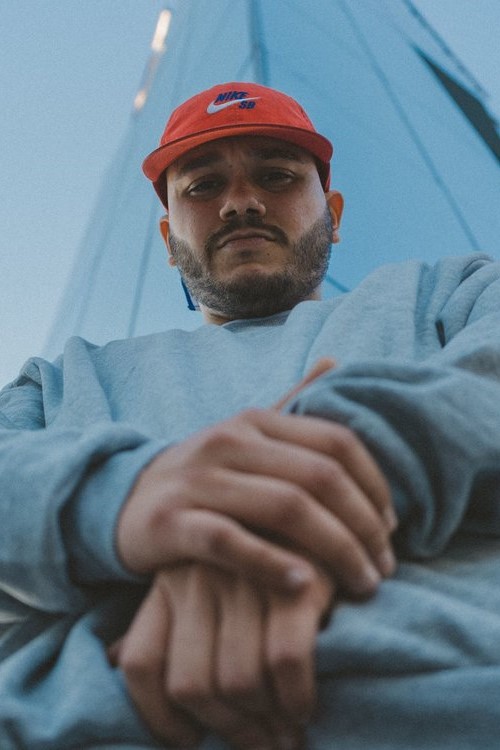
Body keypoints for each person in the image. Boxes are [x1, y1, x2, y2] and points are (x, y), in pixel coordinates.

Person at [1, 81, 500, 750]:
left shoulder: (449, 293)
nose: (240, 202)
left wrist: (337, 468)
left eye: (277, 175)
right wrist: (114, 497)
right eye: (203, 187)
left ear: (334, 214)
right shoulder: (61, 379)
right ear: (169, 240)